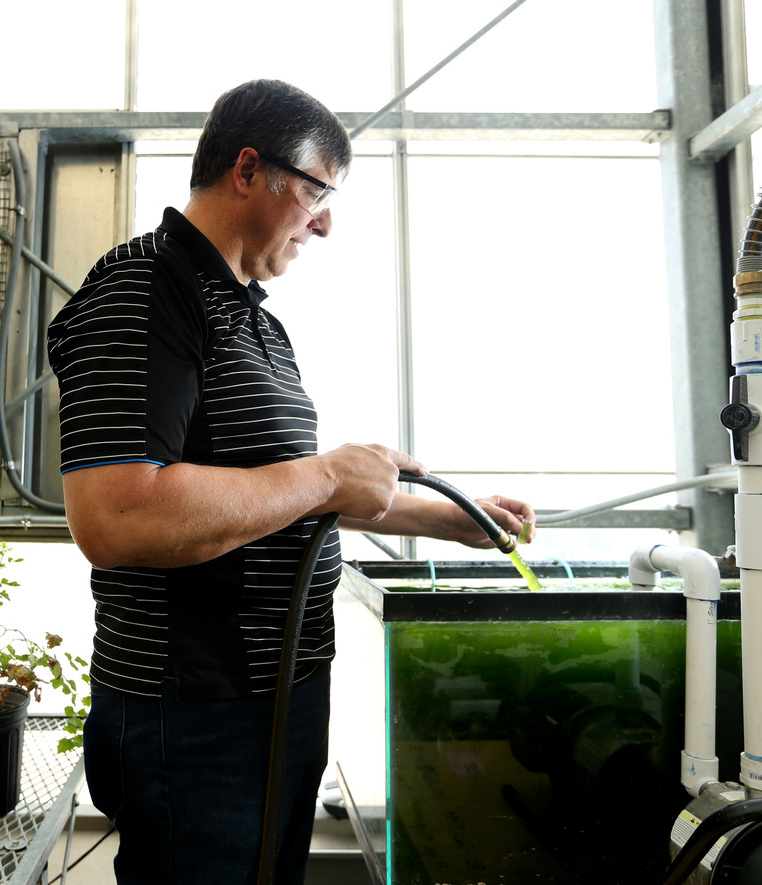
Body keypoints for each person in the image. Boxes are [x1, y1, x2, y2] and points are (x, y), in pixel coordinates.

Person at [46, 79, 536, 885]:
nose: (327, 221)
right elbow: (117, 513)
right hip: (194, 714)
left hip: (279, 697)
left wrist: (450, 520)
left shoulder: (258, 321)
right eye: (317, 191)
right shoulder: (145, 288)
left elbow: (279, 501)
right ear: (249, 169)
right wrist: (325, 470)